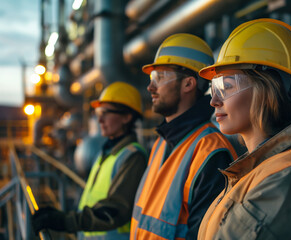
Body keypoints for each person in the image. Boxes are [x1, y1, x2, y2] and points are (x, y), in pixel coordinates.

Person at [197, 18, 291, 240]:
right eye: (213, 88)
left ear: (267, 90)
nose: (214, 100)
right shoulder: (258, 171)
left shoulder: (286, 178)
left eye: (226, 87)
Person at [130, 33, 238, 240]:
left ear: (188, 84)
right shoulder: (161, 142)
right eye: (152, 79)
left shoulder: (213, 152)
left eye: (159, 78)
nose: (150, 87)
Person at [32, 81, 148, 240]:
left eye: (106, 112)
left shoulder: (133, 157)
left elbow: (114, 210)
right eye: (98, 112)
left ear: (127, 117)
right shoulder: (107, 152)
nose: (100, 119)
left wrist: (65, 221)